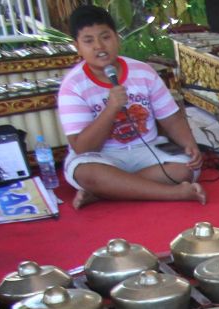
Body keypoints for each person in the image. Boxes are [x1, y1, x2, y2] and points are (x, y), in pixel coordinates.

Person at [57, 5, 205, 210]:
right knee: (86, 173)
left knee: (184, 169)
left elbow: (171, 118)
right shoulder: (72, 85)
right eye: (89, 41)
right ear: (77, 47)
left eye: (105, 37)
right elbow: (82, 148)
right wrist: (111, 109)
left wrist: (189, 143)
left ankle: (107, 192)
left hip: (146, 150)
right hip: (102, 157)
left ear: (117, 38)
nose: (99, 46)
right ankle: (173, 193)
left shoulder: (142, 71)